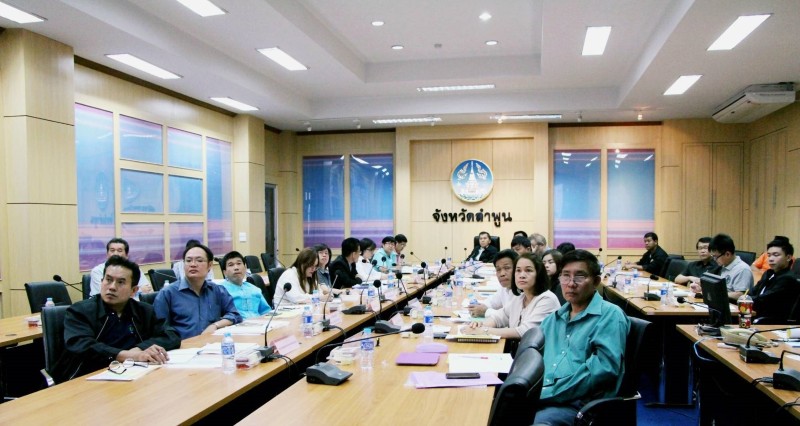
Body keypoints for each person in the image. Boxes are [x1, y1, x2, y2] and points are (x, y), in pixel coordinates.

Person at [534, 249, 630, 424]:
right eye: (565, 276)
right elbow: (534, 360)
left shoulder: (610, 316)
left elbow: (602, 371)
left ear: (596, 282)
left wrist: (546, 394)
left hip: (578, 404)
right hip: (543, 396)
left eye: (579, 276)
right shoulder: (551, 320)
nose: (571, 283)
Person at [53, 255, 180, 383]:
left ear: (134, 290)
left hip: (133, 375)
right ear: (102, 281)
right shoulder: (80, 311)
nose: (112, 287)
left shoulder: (143, 310)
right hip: (87, 379)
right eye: (108, 280)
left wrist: (139, 349)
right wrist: (128, 355)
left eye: (120, 282)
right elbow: (82, 346)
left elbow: (171, 335)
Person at [154, 243, 242, 339]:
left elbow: (235, 315)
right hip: (182, 346)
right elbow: (160, 330)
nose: (193, 264)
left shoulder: (217, 290)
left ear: (209, 265)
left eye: (199, 260)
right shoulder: (167, 293)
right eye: (188, 261)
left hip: (212, 343)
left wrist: (215, 325)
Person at [463, 253, 560, 339]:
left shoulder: (547, 299)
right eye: (518, 270)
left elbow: (525, 331)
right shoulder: (520, 297)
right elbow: (499, 317)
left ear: (539, 274)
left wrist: (485, 331)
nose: (522, 275)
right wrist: (479, 325)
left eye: (528, 270)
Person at [689, 233, 753, 302]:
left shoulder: (742, 269)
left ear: (727, 254)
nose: (714, 259)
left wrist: (715, 294)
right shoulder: (723, 266)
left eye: (715, 257)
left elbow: (740, 295)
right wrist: (702, 290)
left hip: (733, 306)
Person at [750, 239, 798, 322]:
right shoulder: (768, 273)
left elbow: (763, 300)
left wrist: (744, 299)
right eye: (769, 255)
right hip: (754, 313)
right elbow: (753, 291)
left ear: (788, 257)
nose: (770, 259)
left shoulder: (787, 278)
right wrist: (745, 297)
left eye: (776, 255)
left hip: (770, 321)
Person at [467, 249, 519, 318]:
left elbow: (510, 316)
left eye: (507, 268)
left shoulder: (522, 291)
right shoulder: (505, 288)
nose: (502, 274)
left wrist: (485, 312)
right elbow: (492, 302)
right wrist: (478, 307)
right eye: (498, 269)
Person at [219, 251, 272, 319]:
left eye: (239, 263)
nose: (236, 268)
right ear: (224, 272)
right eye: (231, 265)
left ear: (245, 268)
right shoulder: (220, 291)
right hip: (236, 324)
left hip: (259, 323)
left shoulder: (254, 289)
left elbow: (266, 312)